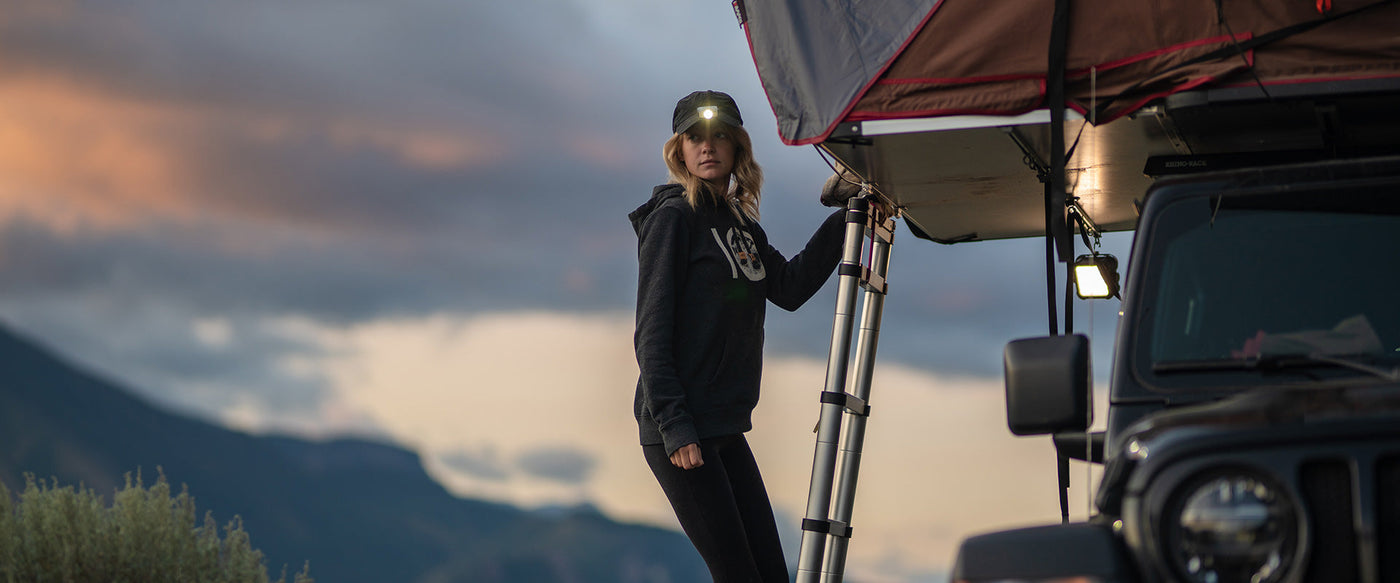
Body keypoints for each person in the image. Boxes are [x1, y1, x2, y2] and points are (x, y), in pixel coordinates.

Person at [628, 90, 859, 582]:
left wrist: (848, 218)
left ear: (737, 148)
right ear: (680, 151)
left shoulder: (740, 226)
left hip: (726, 425)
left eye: (719, 136)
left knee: (771, 573)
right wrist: (675, 425)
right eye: (695, 137)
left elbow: (789, 287)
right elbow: (650, 332)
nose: (707, 146)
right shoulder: (672, 219)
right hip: (682, 428)